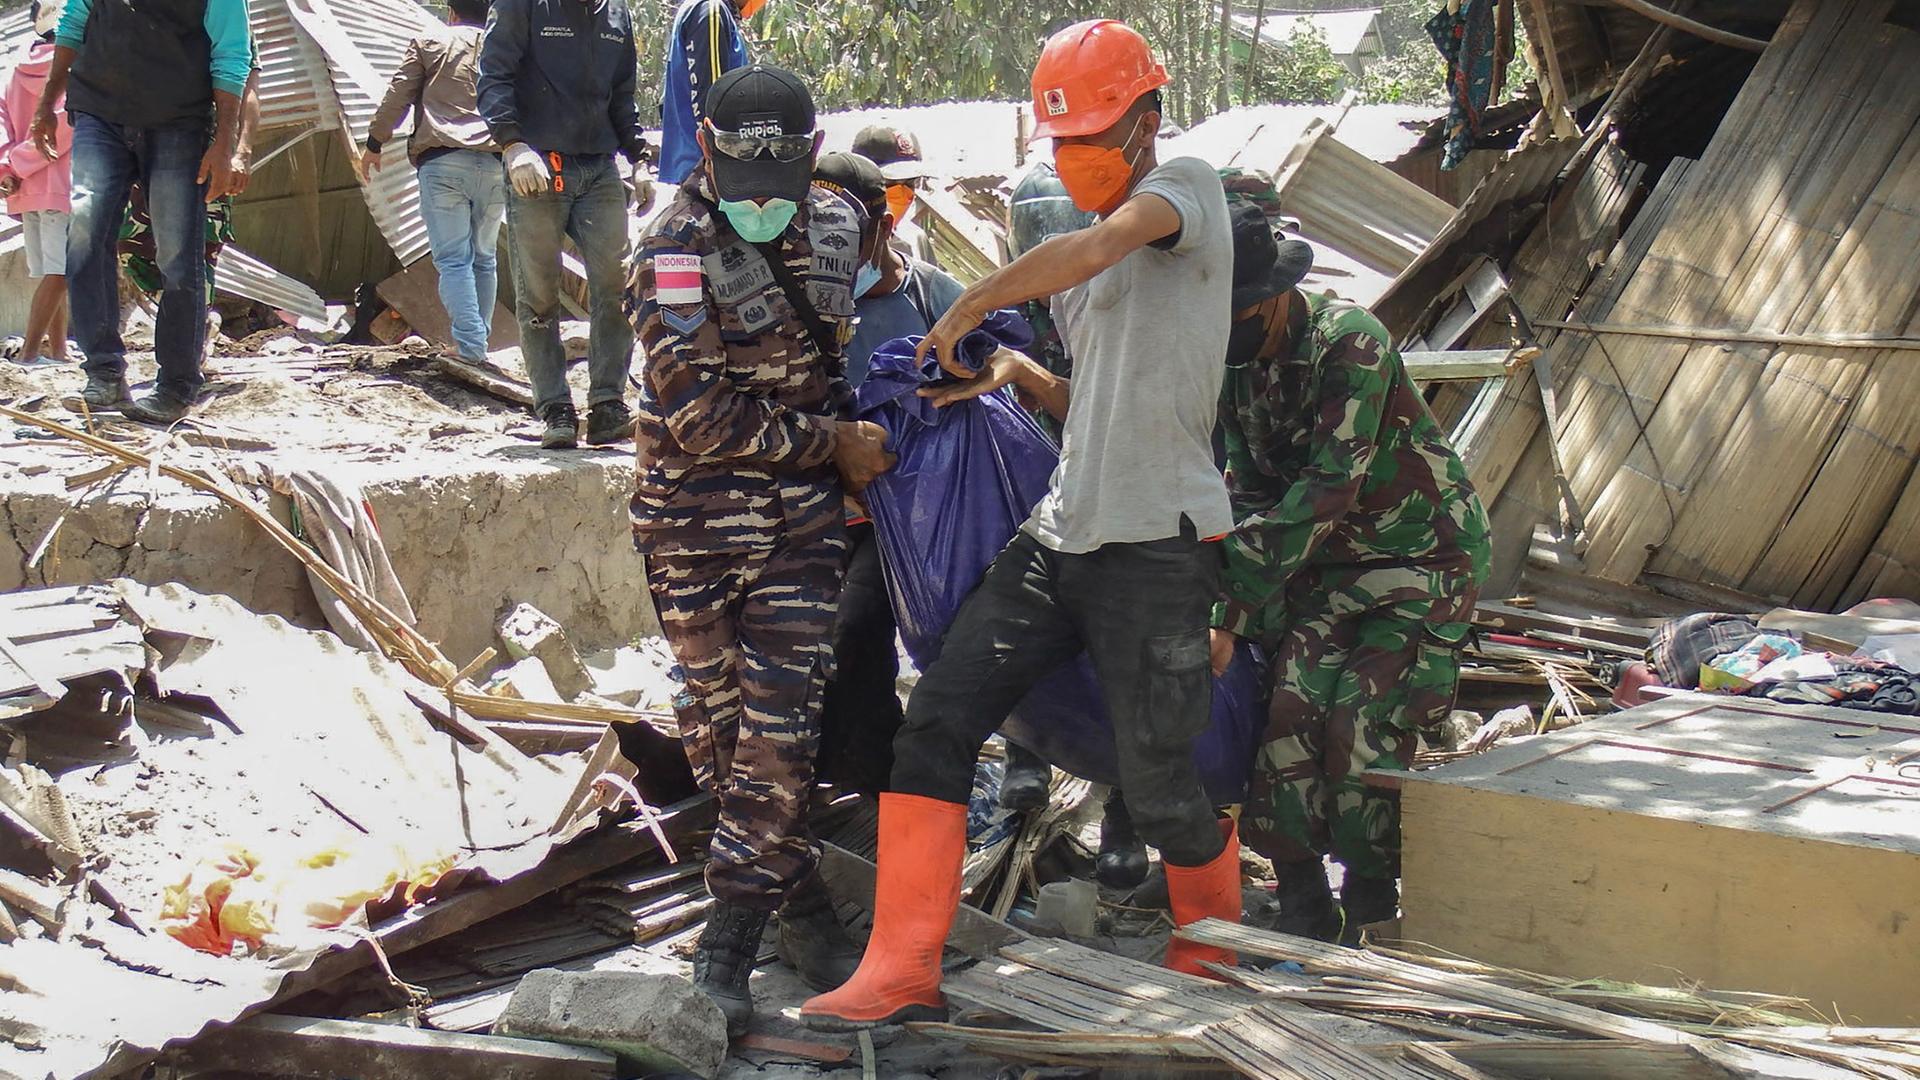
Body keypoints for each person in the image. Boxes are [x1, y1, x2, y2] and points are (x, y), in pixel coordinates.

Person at [803, 20, 1244, 1032]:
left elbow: (1095, 243)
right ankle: (901, 966)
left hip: (1159, 541)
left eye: (1095, 133)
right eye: (1062, 140)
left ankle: (1210, 958)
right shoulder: (1084, 267)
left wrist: (968, 310)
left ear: (1147, 121)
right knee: (939, 721)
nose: (1076, 154)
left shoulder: (1187, 190)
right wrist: (1006, 372)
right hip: (1064, 532)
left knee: (1163, 781)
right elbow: (1096, 395)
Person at [626, 64, 893, 1037]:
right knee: (719, 739)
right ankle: (806, 904)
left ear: (813, 155)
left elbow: (851, 322)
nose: (765, 208)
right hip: (691, 524)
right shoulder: (671, 247)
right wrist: (835, 444)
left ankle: (726, 942)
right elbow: (697, 415)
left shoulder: (836, 223)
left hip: (800, 530)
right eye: (747, 186)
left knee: (780, 734)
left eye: (783, 185)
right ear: (705, 139)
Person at [1208, 202, 1491, 942]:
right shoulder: (1236, 366)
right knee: (1286, 723)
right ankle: (1303, 897)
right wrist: (1228, 593)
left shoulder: (1348, 342)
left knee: (1361, 733)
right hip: (1322, 569)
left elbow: (1332, 485)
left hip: (1419, 560)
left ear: (1271, 293)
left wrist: (1233, 598)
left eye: (1235, 306)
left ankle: (1374, 899)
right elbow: (1246, 482)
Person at [804, 151, 961, 797]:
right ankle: (850, 776)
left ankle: (887, 787)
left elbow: (983, 394)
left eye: (846, 234)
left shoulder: (933, 296)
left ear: (883, 229)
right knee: (824, 649)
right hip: (824, 504)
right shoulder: (806, 300)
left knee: (857, 629)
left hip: (914, 516)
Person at [34, 0, 253, 422]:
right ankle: (104, 374)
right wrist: (47, 104)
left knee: (176, 253)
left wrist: (226, 142)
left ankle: (176, 385)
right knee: (84, 227)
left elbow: (233, 55)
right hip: (100, 113)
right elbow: (74, 22)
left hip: (178, 122)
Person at [479, 0, 648, 449]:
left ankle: (608, 405)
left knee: (617, 286)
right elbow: (493, 75)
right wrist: (512, 145)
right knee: (538, 294)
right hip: (537, 166)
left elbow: (623, 92)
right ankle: (554, 409)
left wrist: (639, 158)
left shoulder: (616, 15)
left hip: (600, 169)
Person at [365, 0, 503, 365]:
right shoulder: (503, 46)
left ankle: (472, 347)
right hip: (496, 164)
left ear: (451, 12)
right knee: (484, 259)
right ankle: (478, 343)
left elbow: (398, 96)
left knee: (455, 261)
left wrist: (374, 142)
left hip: (443, 165)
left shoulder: (430, 41)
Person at [0, 0, 72, 367]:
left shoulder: (14, 66)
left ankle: (57, 351)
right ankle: (29, 354)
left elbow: (1, 120)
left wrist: (8, 167)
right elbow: (63, 127)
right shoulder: (75, 65)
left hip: (23, 188)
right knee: (61, 272)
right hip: (62, 184)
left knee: (49, 272)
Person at [658, 0, 763, 186]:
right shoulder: (711, 11)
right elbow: (713, 102)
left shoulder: (705, 10)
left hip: (700, 168)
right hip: (709, 173)